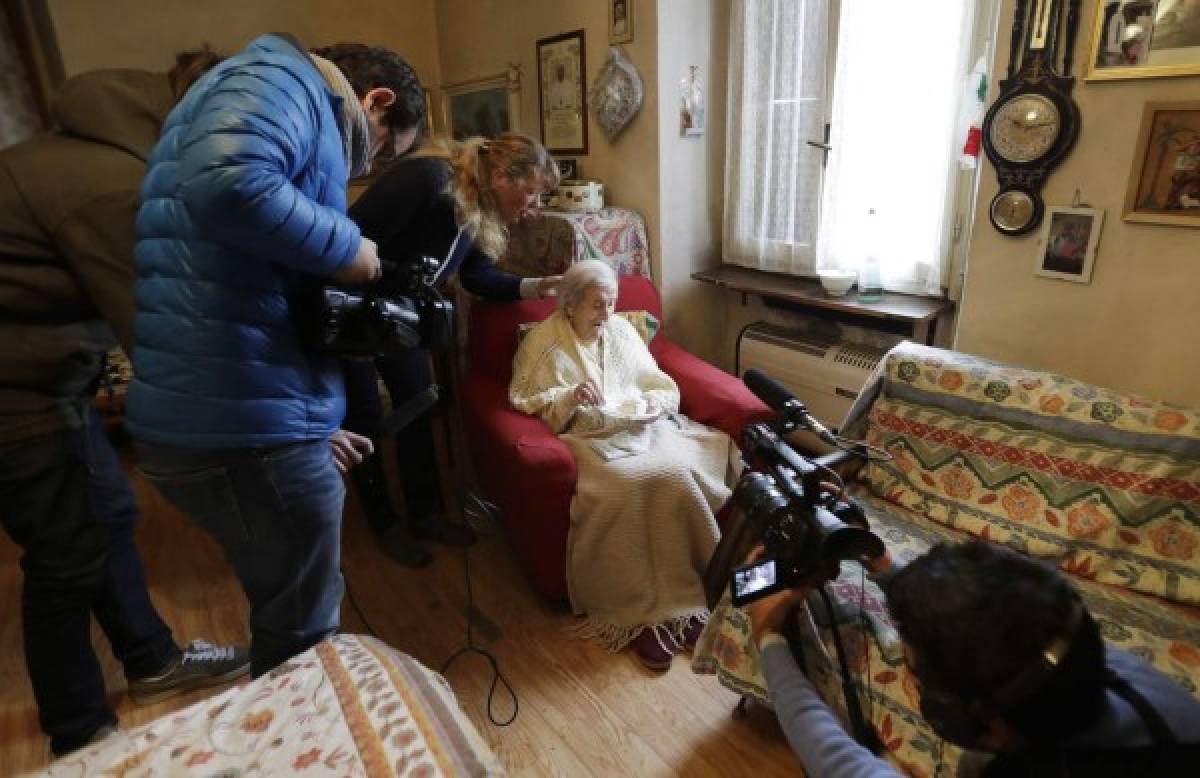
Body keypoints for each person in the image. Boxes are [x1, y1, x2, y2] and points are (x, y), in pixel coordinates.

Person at [128, 35, 423, 677]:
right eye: (377, 152)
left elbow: (246, 281)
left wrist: (309, 428)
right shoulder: (283, 79)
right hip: (239, 434)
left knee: (288, 613)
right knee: (302, 640)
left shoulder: (241, 90)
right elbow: (231, 184)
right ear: (377, 101)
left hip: (239, 420)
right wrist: (351, 247)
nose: (359, 172)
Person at [0, 51, 250, 758]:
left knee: (107, 512)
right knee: (64, 556)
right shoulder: (112, 186)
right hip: (16, 397)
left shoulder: (119, 150)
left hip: (47, 380)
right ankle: (80, 739)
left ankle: (151, 660)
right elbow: (165, 339)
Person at [747, 540, 1200, 777]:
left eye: (917, 675)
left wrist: (768, 637)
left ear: (980, 722)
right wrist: (888, 569)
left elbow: (839, 763)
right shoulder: (1083, 656)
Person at [508, 260, 740, 671]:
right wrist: (569, 395)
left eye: (611, 304)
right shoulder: (543, 342)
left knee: (677, 474)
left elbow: (656, 380)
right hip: (587, 438)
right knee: (628, 484)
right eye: (597, 305)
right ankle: (639, 617)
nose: (606, 313)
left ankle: (685, 602)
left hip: (643, 429)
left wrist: (654, 403)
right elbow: (524, 397)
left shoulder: (622, 330)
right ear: (571, 304)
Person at [344, 132, 562, 567]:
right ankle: (385, 524)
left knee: (419, 407)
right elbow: (346, 241)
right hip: (352, 309)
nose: (533, 205)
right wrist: (400, 275)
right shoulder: (427, 179)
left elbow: (477, 276)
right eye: (532, 191)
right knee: (365, 421)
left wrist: (537, 286)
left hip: (399, 314)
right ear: (502, 175)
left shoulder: (479, 207)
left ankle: (424, 515)